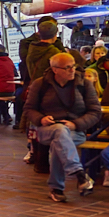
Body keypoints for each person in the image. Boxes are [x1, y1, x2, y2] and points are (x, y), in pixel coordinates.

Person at [23, 52, 101, 202]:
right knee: (59, 131)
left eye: (74, 66)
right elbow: (29, 109)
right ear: (55, 69)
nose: (72, 70)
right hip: (46, 129)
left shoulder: (84, 84)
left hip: (75, 130)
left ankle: (57, 187)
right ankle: (79, 173)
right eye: (67, 68)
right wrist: (41, 118)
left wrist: (76, 124)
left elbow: (95, 112)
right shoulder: (40, 84)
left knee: (59, 141)